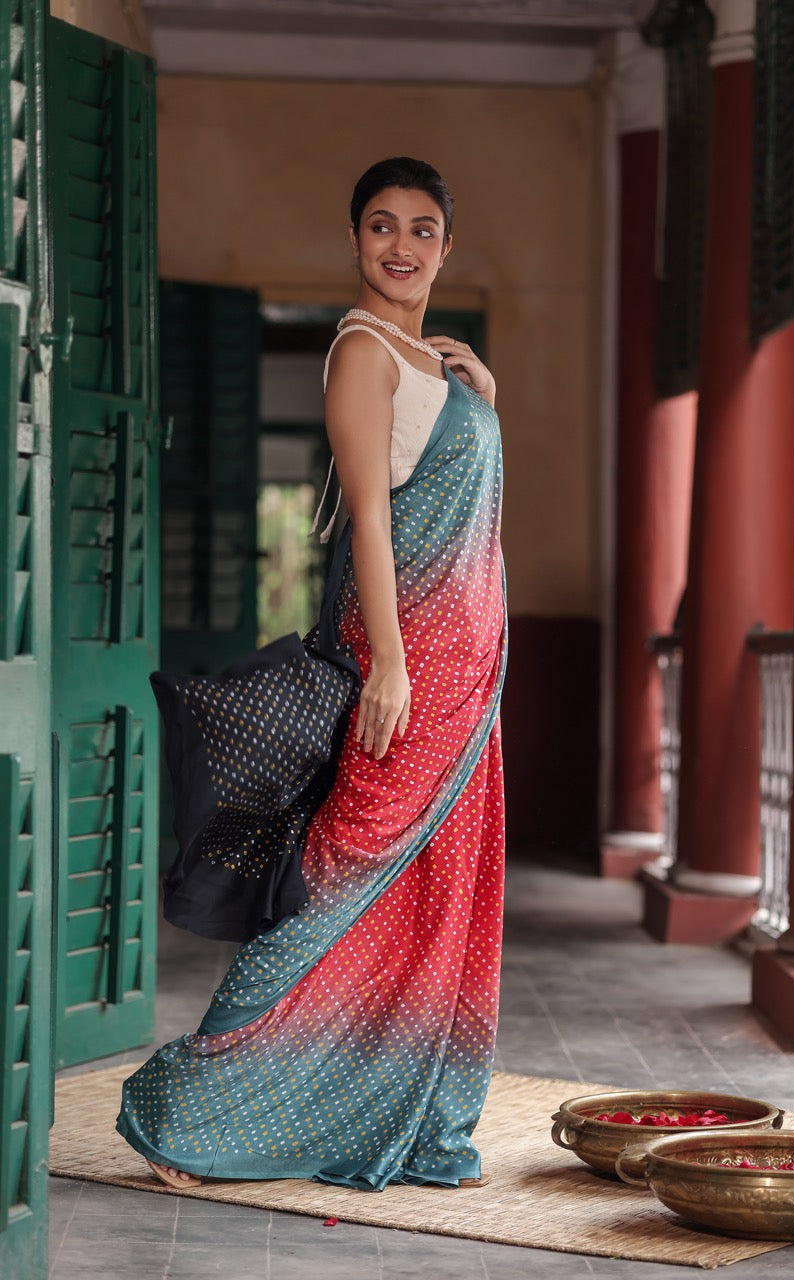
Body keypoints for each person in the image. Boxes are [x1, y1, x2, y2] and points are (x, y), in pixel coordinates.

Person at [116, 156, 507, 1191]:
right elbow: (373, 518)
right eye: (380, 226)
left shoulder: (437, 367)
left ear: (444, 247)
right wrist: (386, 665)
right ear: (353, 239)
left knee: (434, 894)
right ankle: (190, 1108)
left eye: (422, 229)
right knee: (333, 885)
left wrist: (486, 403)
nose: (401, 247)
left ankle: (406, 1103)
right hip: (411, 678)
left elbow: (459, 506)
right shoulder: (363, 352)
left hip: (468, 681)